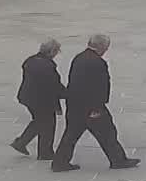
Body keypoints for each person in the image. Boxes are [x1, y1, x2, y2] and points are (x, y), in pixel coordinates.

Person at [52, 33, 138, 172]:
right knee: (108, 133)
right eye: (106, 47)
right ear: (101, 47)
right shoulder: (98, 62)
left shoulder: (79, 58)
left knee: (71, 135)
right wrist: (97, 108)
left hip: (75, 105)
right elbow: (100, 87)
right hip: (91, 107)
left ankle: (59, 162)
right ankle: (118, 160)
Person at [10, 39, 64, 160]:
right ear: (51, 52)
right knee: (48, 124)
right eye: (56, 51)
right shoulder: (48, 65)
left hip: (27, 97)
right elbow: (54, 87)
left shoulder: (30, 60)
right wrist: (67, 96)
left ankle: (21, 143)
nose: (56, 54)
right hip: (42, 100)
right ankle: (45, 152)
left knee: (39, 121)